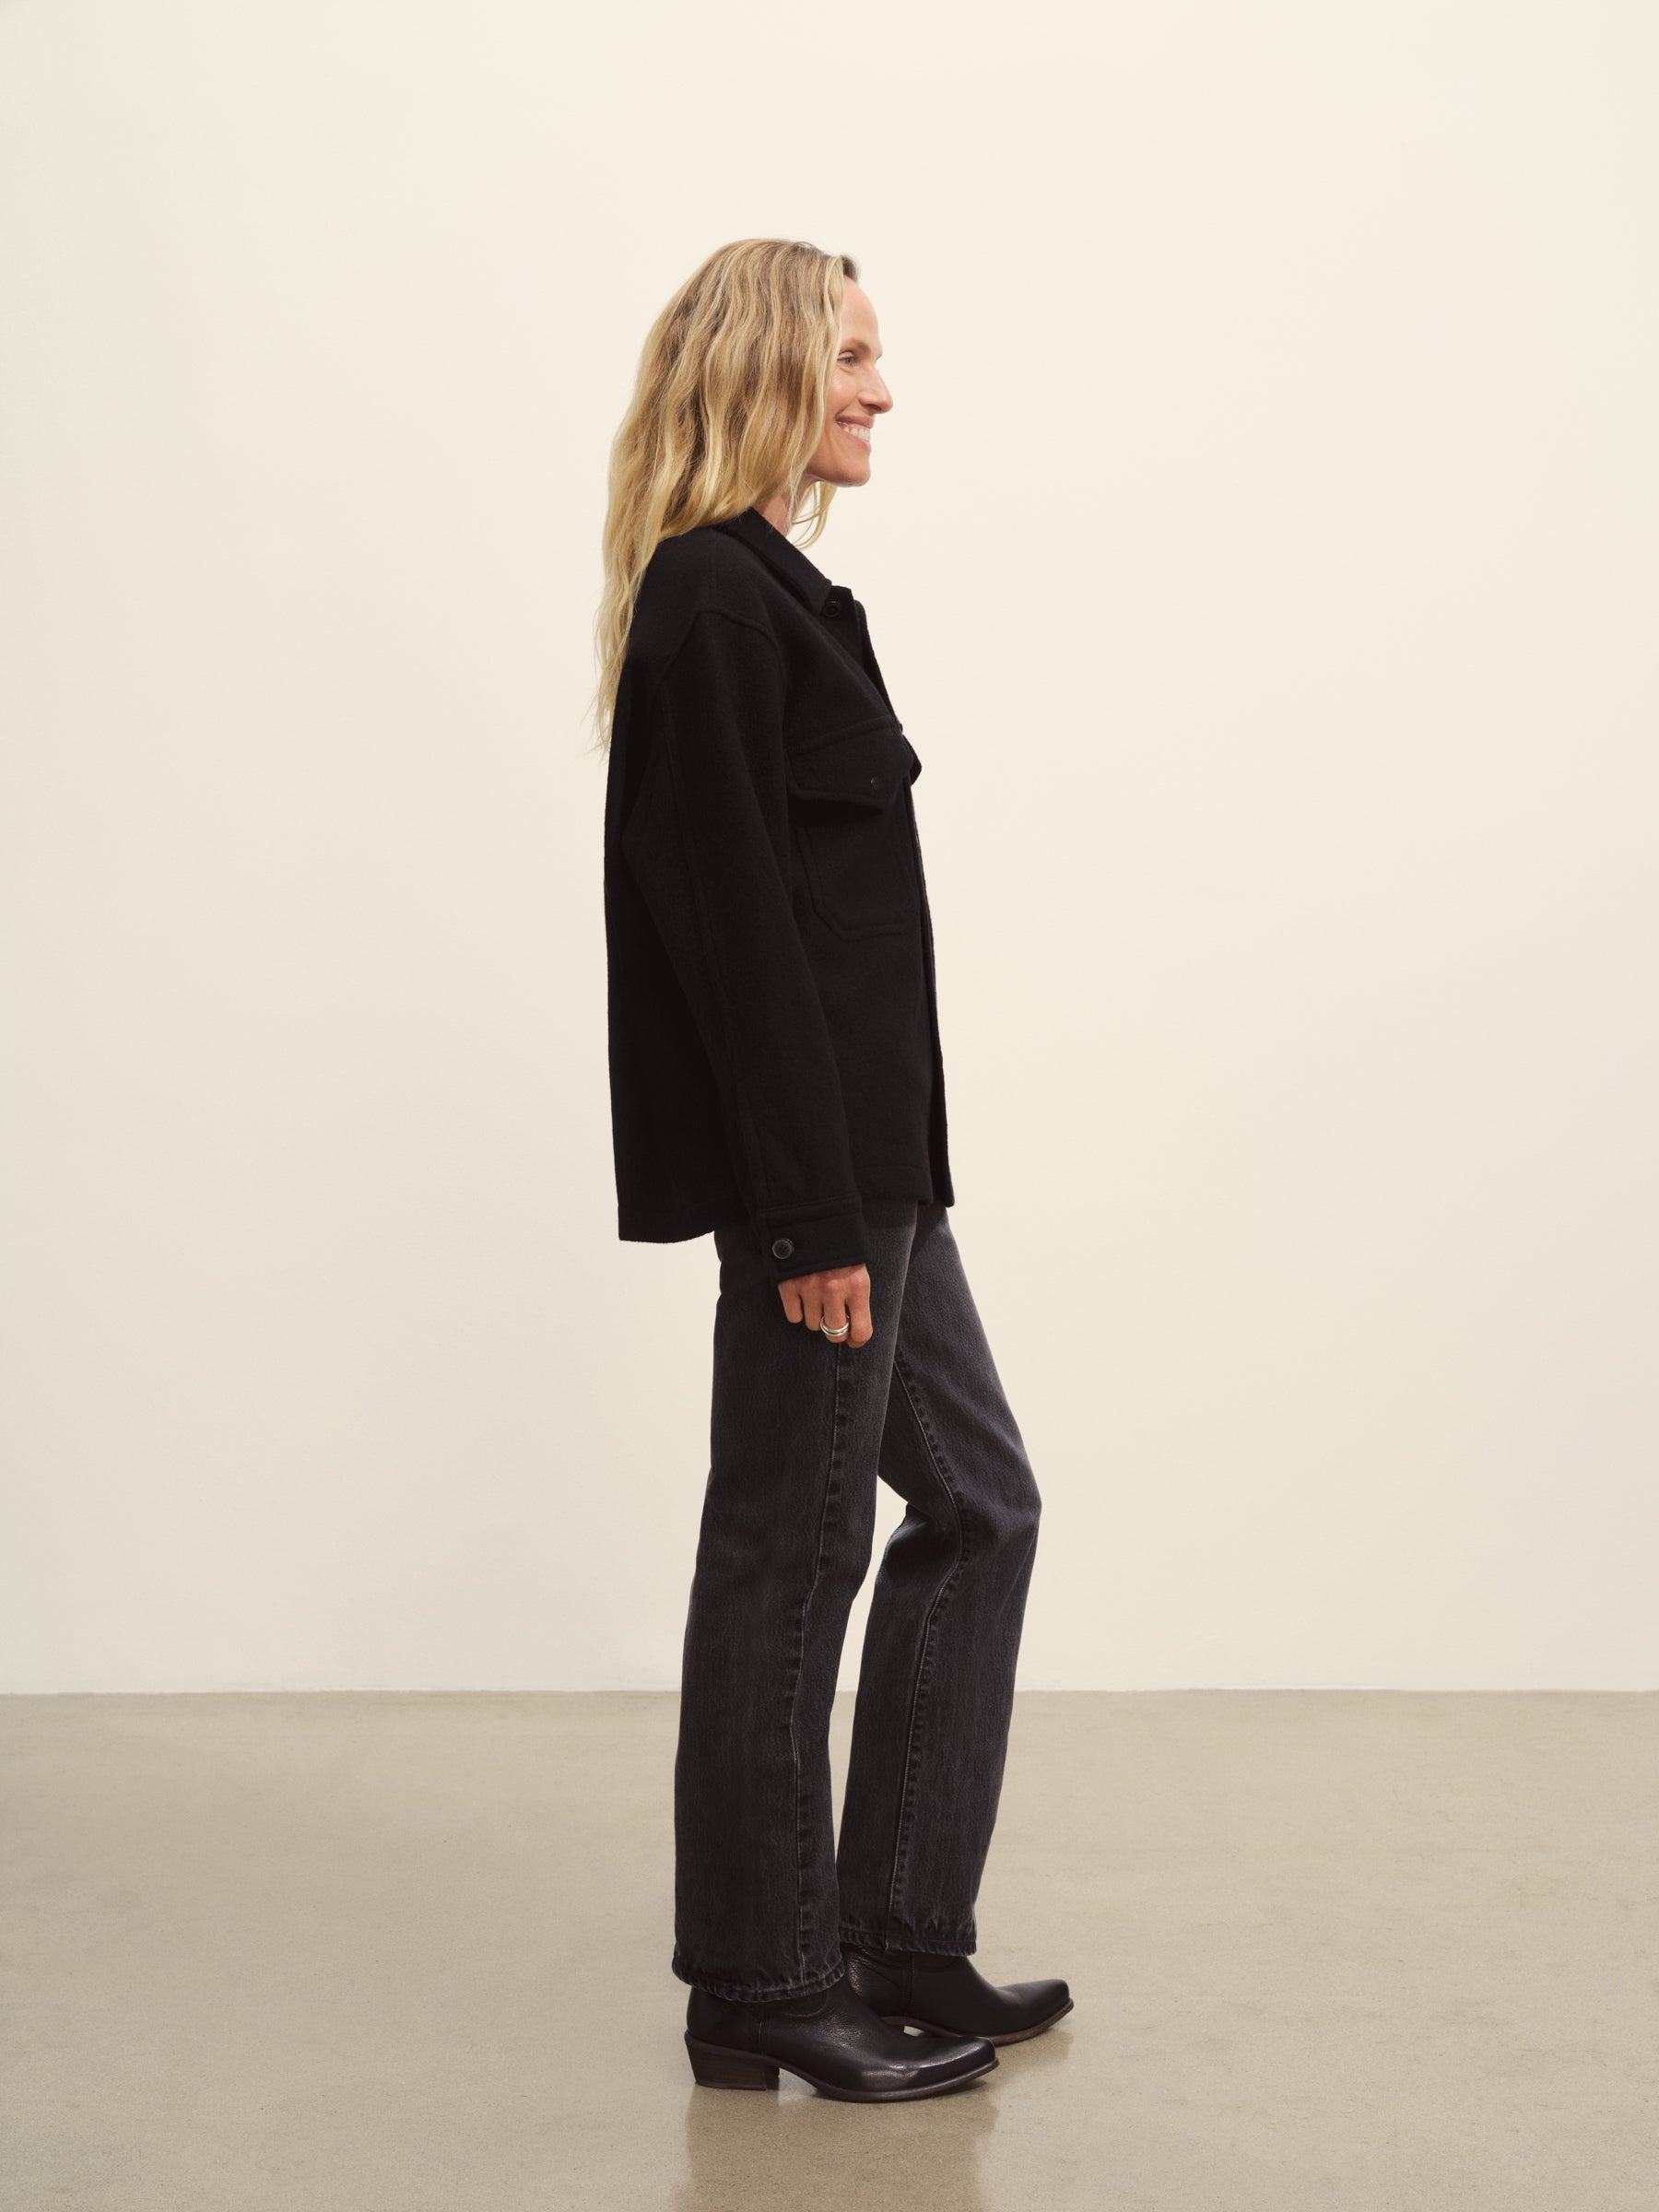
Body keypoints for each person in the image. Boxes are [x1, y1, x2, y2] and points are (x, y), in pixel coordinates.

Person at [593, 239, 1070, 2103]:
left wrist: (883, 1188)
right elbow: (735, 933)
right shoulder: (715, 601)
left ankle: (897, 1931)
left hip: (883, 1174)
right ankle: (762, 1978)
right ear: (771, 368)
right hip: (824, 1187)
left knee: (982, 1504)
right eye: (851, 355)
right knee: (791, 1558)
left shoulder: (778, 597)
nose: (881, 389)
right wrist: (804, 1216)